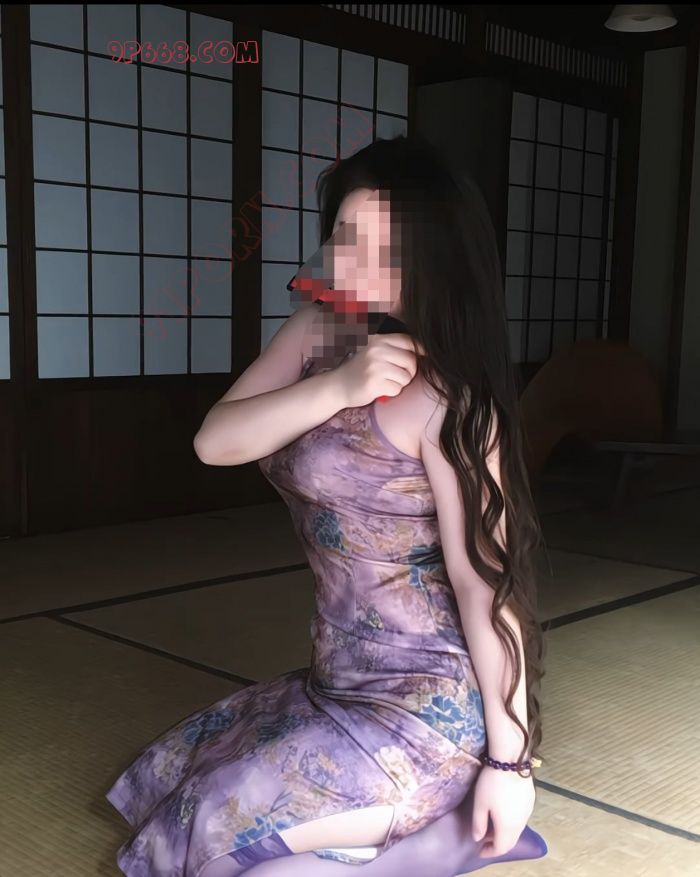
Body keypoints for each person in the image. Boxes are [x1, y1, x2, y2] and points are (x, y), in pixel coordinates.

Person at [105, 135, 549, 876]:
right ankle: (385, 840)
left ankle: (431, 822)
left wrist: (511, 764)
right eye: (345, 236)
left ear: (435, 259)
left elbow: (484, 586)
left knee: (210, 817)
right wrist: (341, 386)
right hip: (335, 680)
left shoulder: (454, 402)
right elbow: (215, 441)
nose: (353, 265)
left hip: (427, 711)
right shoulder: (322, 329)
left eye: (387, 250)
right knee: (171, 771)